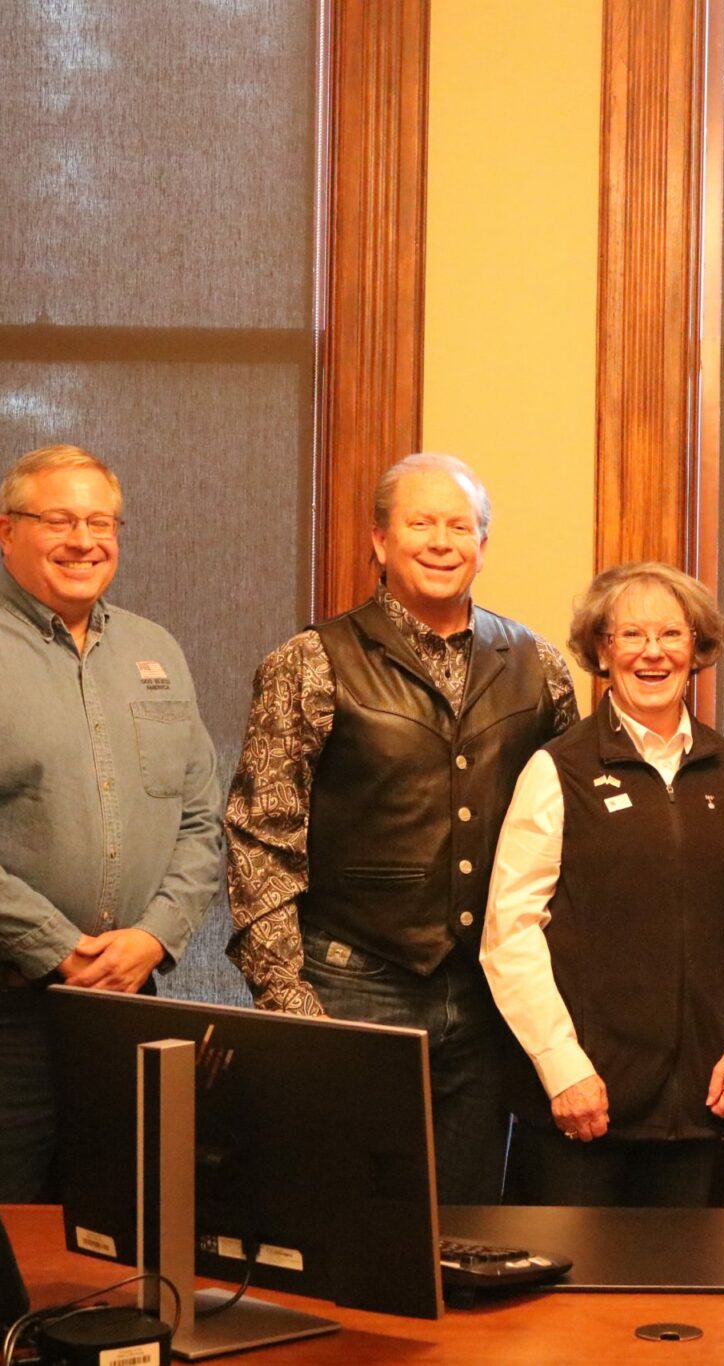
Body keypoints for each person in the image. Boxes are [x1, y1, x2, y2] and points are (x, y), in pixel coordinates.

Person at [0, 444, 223, 1201]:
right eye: (58, 519)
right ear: (5, 532)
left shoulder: (155, 651)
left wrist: (154, 936)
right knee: (3, 1236)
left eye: (102, 522)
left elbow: (200, 822)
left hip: (124, 1004)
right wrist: (58, 948)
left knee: (120, 1230)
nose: (84, 540)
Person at [225, 452, 576, 1204]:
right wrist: (292, 1005)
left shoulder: (540, 665)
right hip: (351, 985)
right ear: (380, 541)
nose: (443, 542)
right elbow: (260, 840)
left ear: (483, 545)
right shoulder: (310, 663)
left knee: (473, 1230)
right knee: (346, 1216)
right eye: (422, 523)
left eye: (462, 526)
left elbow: (568, 841)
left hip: (489, 999)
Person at [481, 563, 724, 1206]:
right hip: (582, 1108)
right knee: (570, 1302)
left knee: (681, 1298)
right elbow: (509, 933)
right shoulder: (558, 769)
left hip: (702, 1103)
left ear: (697, 649)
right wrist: (562, 1069)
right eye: (631, 635)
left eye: (672, 635)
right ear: (604, 649)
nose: (653, 652)